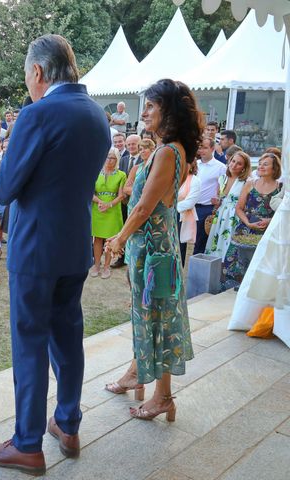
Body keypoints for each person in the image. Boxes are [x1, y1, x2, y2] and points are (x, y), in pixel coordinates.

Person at [0, 34, 110, 476]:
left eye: (26, 76)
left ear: (38, 72)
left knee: (30, 343)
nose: (28, 84)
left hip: (35, 248)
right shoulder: (98, 115)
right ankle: (68, 425)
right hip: (75, 245)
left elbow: (4, 188)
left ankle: (27, 443)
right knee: (68, 336)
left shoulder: (38, 114)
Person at [105, 78, 200, 424]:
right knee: (147, 317)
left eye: (150, 106)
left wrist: (117, 239)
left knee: (159, 320)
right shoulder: (167, 150)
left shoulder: (168, 152)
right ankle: (135, 374)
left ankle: (163, 397)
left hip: (155, 255)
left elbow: (143, 208)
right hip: (152, 250)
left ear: (168, 112)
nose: (143, 112)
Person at [222, 152, 282, 288]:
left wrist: (269, 221)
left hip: (266, 234)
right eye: (260, 163)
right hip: (244, 231)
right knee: (235, 266)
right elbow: (239, 208)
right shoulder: (250, 184)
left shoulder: (280, 187)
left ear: (275, 168)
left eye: (265, 164)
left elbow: (283, 213)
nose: (260, 166)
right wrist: (248, 223)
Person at [205, 151, 250, 261]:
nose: (234, 165)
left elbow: (247, 203)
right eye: (233, 161)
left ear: (244, 168)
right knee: (216, 245)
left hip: (234, 217)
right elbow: (221, 198)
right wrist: (217, 201)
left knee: (230, 245)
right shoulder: (222, 178)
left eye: (239, 164)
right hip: (220, 215)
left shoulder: (246, 182)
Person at [91, 147, 126, 279]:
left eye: (112, 158)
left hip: (113, 210)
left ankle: (106, 266)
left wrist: (109, 204)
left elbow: (121, 195)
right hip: (97, 209)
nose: (109, 160)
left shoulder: (121, 175)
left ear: (117, 159)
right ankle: (96, 265)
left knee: (110, 240)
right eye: (107, 157)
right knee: (97, 238)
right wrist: (100, 202)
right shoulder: (95, 172)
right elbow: (90, 192)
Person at [193, 136, 227, 255]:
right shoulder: (194, 164)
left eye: (205, 148)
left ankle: (196, 268)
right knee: (183, 240)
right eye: (200, 147)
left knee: (200, 242)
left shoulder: (221, 167)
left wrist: (219, 199)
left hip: (206, 208)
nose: (201, 150)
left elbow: (224, 188)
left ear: (212, 148)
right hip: (190, 207)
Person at [177, 161, 201, 266]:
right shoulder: (174, 178)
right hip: (167, 216)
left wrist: (171, 207)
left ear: (192, 165)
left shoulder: (195, 181)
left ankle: (177, 275)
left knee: (179, 249)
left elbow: (190, 202)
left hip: (181, 217)